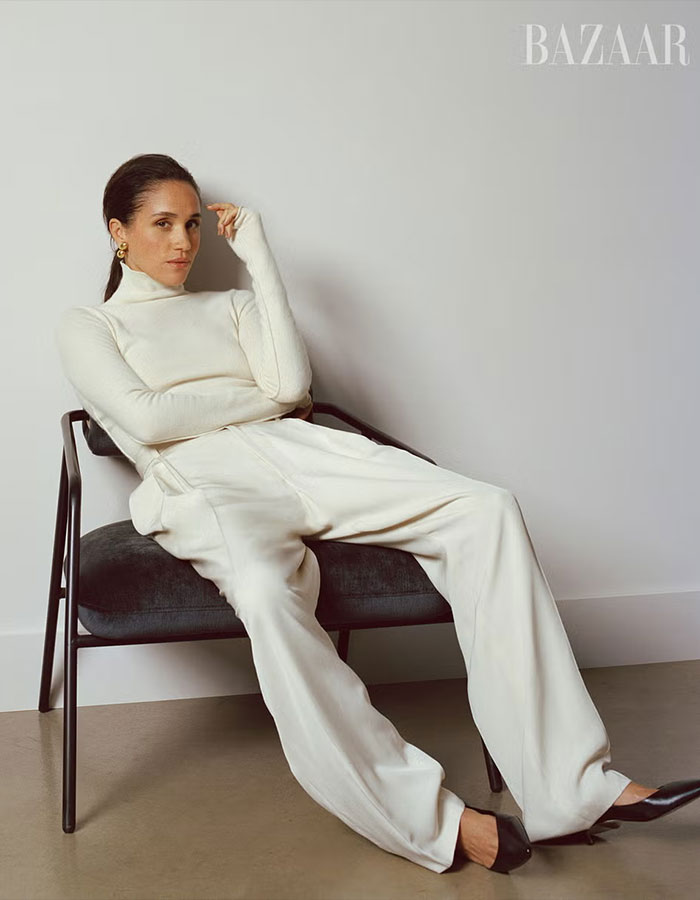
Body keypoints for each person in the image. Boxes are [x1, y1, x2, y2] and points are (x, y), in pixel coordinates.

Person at [55, 153, 700, 876]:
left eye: (194, 225)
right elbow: (146, 422)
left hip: (305, 450)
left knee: (483, 509)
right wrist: (260, 396)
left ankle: (575, 789)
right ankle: (433, 821)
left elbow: (294, 384)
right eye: (161, 224)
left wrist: (259, 257)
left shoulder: (231, 305)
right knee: (268, 596)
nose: (182, 242)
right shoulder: (88, 326)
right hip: (203, 480)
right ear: (119, 232)